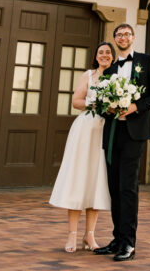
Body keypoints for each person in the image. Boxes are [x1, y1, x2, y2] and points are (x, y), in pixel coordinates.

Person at [93, 23, 150, 262]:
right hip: (113, 132)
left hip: (135, 132)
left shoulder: (147, 61)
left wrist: (134, 106)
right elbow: (100, 103)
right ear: (114, 39)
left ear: (133, 37)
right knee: (114, 187)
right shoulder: (110, 69)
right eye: (118, 34)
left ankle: (129, 243)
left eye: (126, 34)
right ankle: (117, 239)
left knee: (127, 187)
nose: (122, 37)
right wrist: (109, 108)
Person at [49, 40, 115, 253]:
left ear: (112, 57)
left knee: (96, 181)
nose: (104, 55)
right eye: (100, 52)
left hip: (104, 132)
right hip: (85, 130)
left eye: (108, 52)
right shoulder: (88, 76)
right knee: (78, 179)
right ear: (96, 57)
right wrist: (95, 103)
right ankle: (72, 236)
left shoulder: (117, 78)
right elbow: (76, 101)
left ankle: (90, 236)